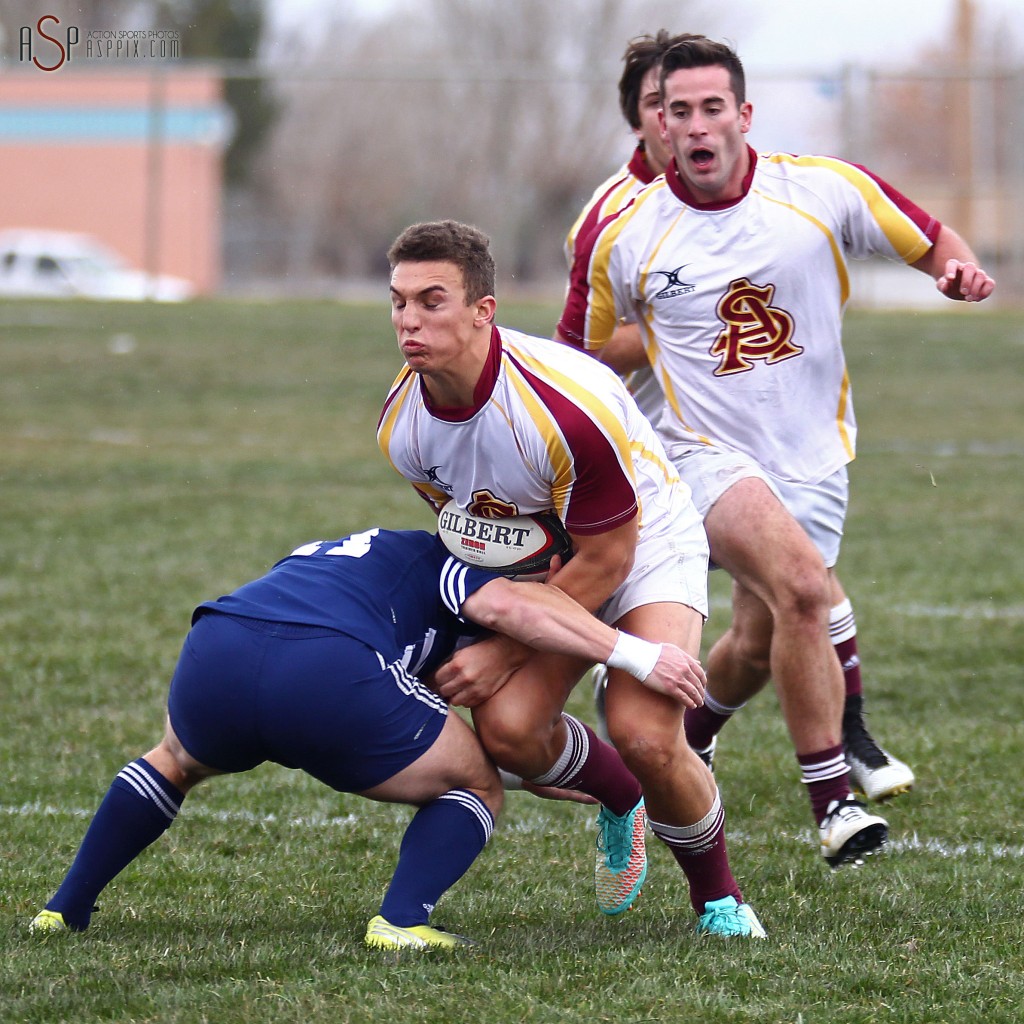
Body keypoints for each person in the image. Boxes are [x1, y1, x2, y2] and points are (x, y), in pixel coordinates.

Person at [558, 35, 995, 866]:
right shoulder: (621, 230)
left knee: (760, 640)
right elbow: (575, 359)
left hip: (815, 455)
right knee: (806, 590)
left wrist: (957, 274)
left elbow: (934, 239)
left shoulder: (821, 189)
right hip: (697, 453)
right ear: (655, 121)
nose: (694, 125)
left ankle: (691, 736)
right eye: (677, 109)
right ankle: (834, 798)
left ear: (743, 115)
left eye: (710, 107)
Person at [30, 526, 706, 950]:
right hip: (328, 669)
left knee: (173, 760)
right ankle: (402, 920)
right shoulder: (449, 561)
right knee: (476, 784)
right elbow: (502, 607)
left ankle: (65, 910)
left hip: (219, 641)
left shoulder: (342, 549)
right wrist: (632, 654)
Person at [378, 220, 766, 938]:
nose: (409, 320)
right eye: (399, 302)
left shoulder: (558, 409)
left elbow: (609, 560)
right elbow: (478, 533)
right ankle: (624, 800)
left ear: (483, 311)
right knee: (511, 731)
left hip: (642, 541)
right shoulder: (403, 425)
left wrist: (507, 648)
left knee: (644, 730)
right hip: (555, 557)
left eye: (432, 300)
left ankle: (719, 899)